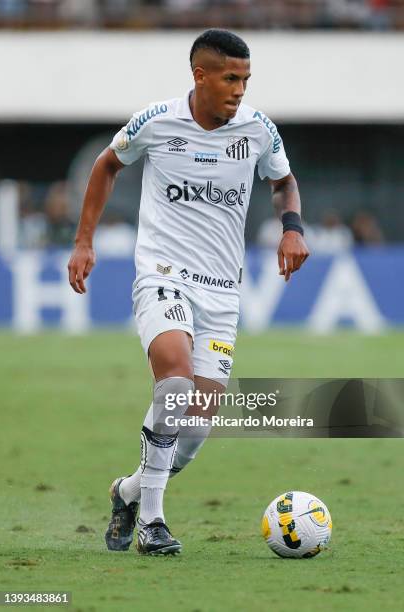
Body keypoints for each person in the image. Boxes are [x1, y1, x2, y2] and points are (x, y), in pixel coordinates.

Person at [67, 28, 309, 556]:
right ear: (200, 76)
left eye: (245, 79)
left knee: (193, 432)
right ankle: (152, 523)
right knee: (173, 384)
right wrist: (84, 241)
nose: (240, 89)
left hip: (223, 292)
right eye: (230, 78)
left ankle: (129, 492)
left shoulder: (257, 129)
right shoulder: (157, 121)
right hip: (163, 274)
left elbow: (283, 179)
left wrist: (292, 226)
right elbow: (106, 164)